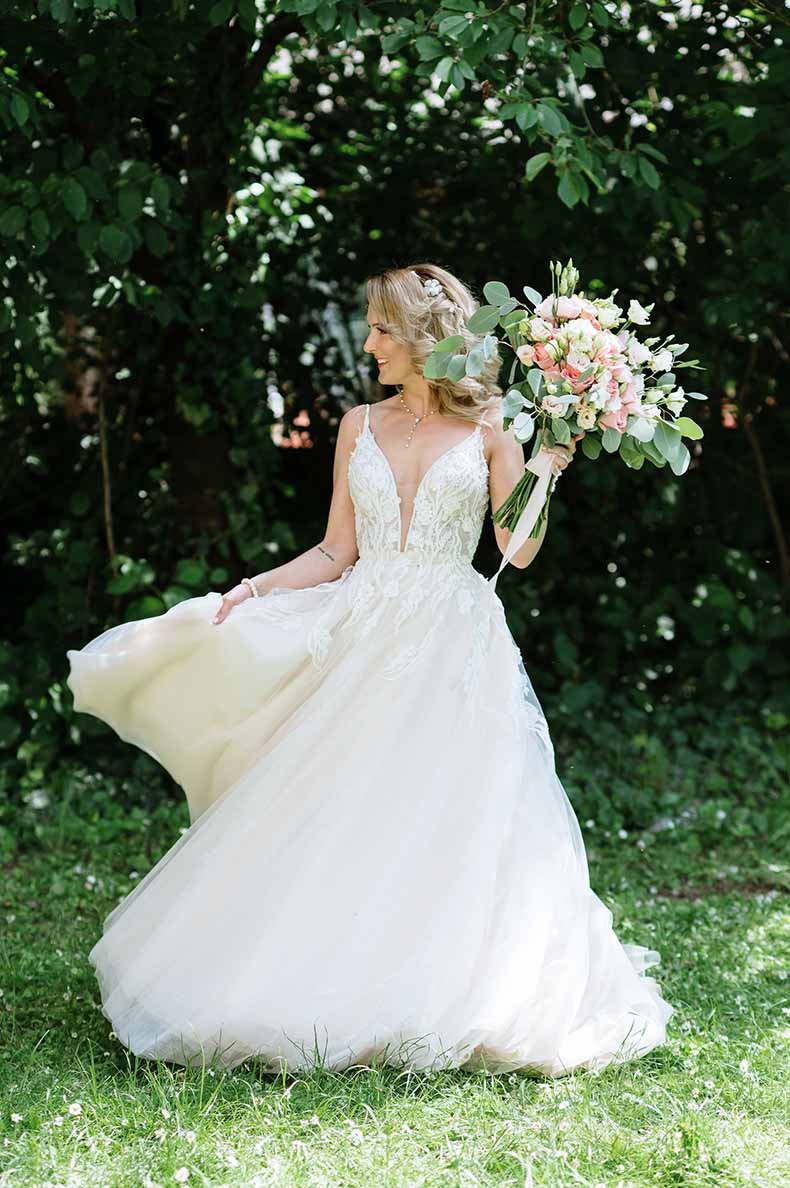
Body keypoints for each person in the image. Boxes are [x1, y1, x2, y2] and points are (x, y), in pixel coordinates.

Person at [66, 263, 674, 1076]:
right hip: (364, 632)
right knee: (337, 803)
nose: (369, 344)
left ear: (425, 337)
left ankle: (452, 986)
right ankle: (319, 975)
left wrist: (546, 464)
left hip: (454, 642)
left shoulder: (493, 428)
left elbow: (518, 551)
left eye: (383, 329)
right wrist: (251, 590)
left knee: (446, 809)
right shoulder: (358, 424)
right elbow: (335, 550)